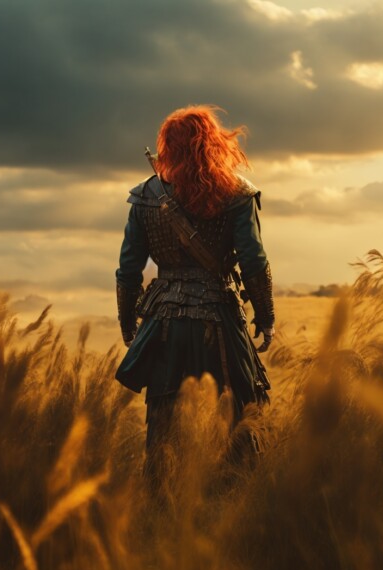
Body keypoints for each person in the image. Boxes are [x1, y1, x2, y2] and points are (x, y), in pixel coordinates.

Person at [114, 105, 275, 478]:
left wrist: (127, 323)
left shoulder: (144, 197)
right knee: (243, 412)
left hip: (163, 321)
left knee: (163, 420)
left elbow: (128, 269)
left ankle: (161, 497)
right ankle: (238, 492)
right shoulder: (237, 193)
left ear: (168, 146)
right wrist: (266, 318)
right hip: (219, 314)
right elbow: (253, 261)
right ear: (212, 143)